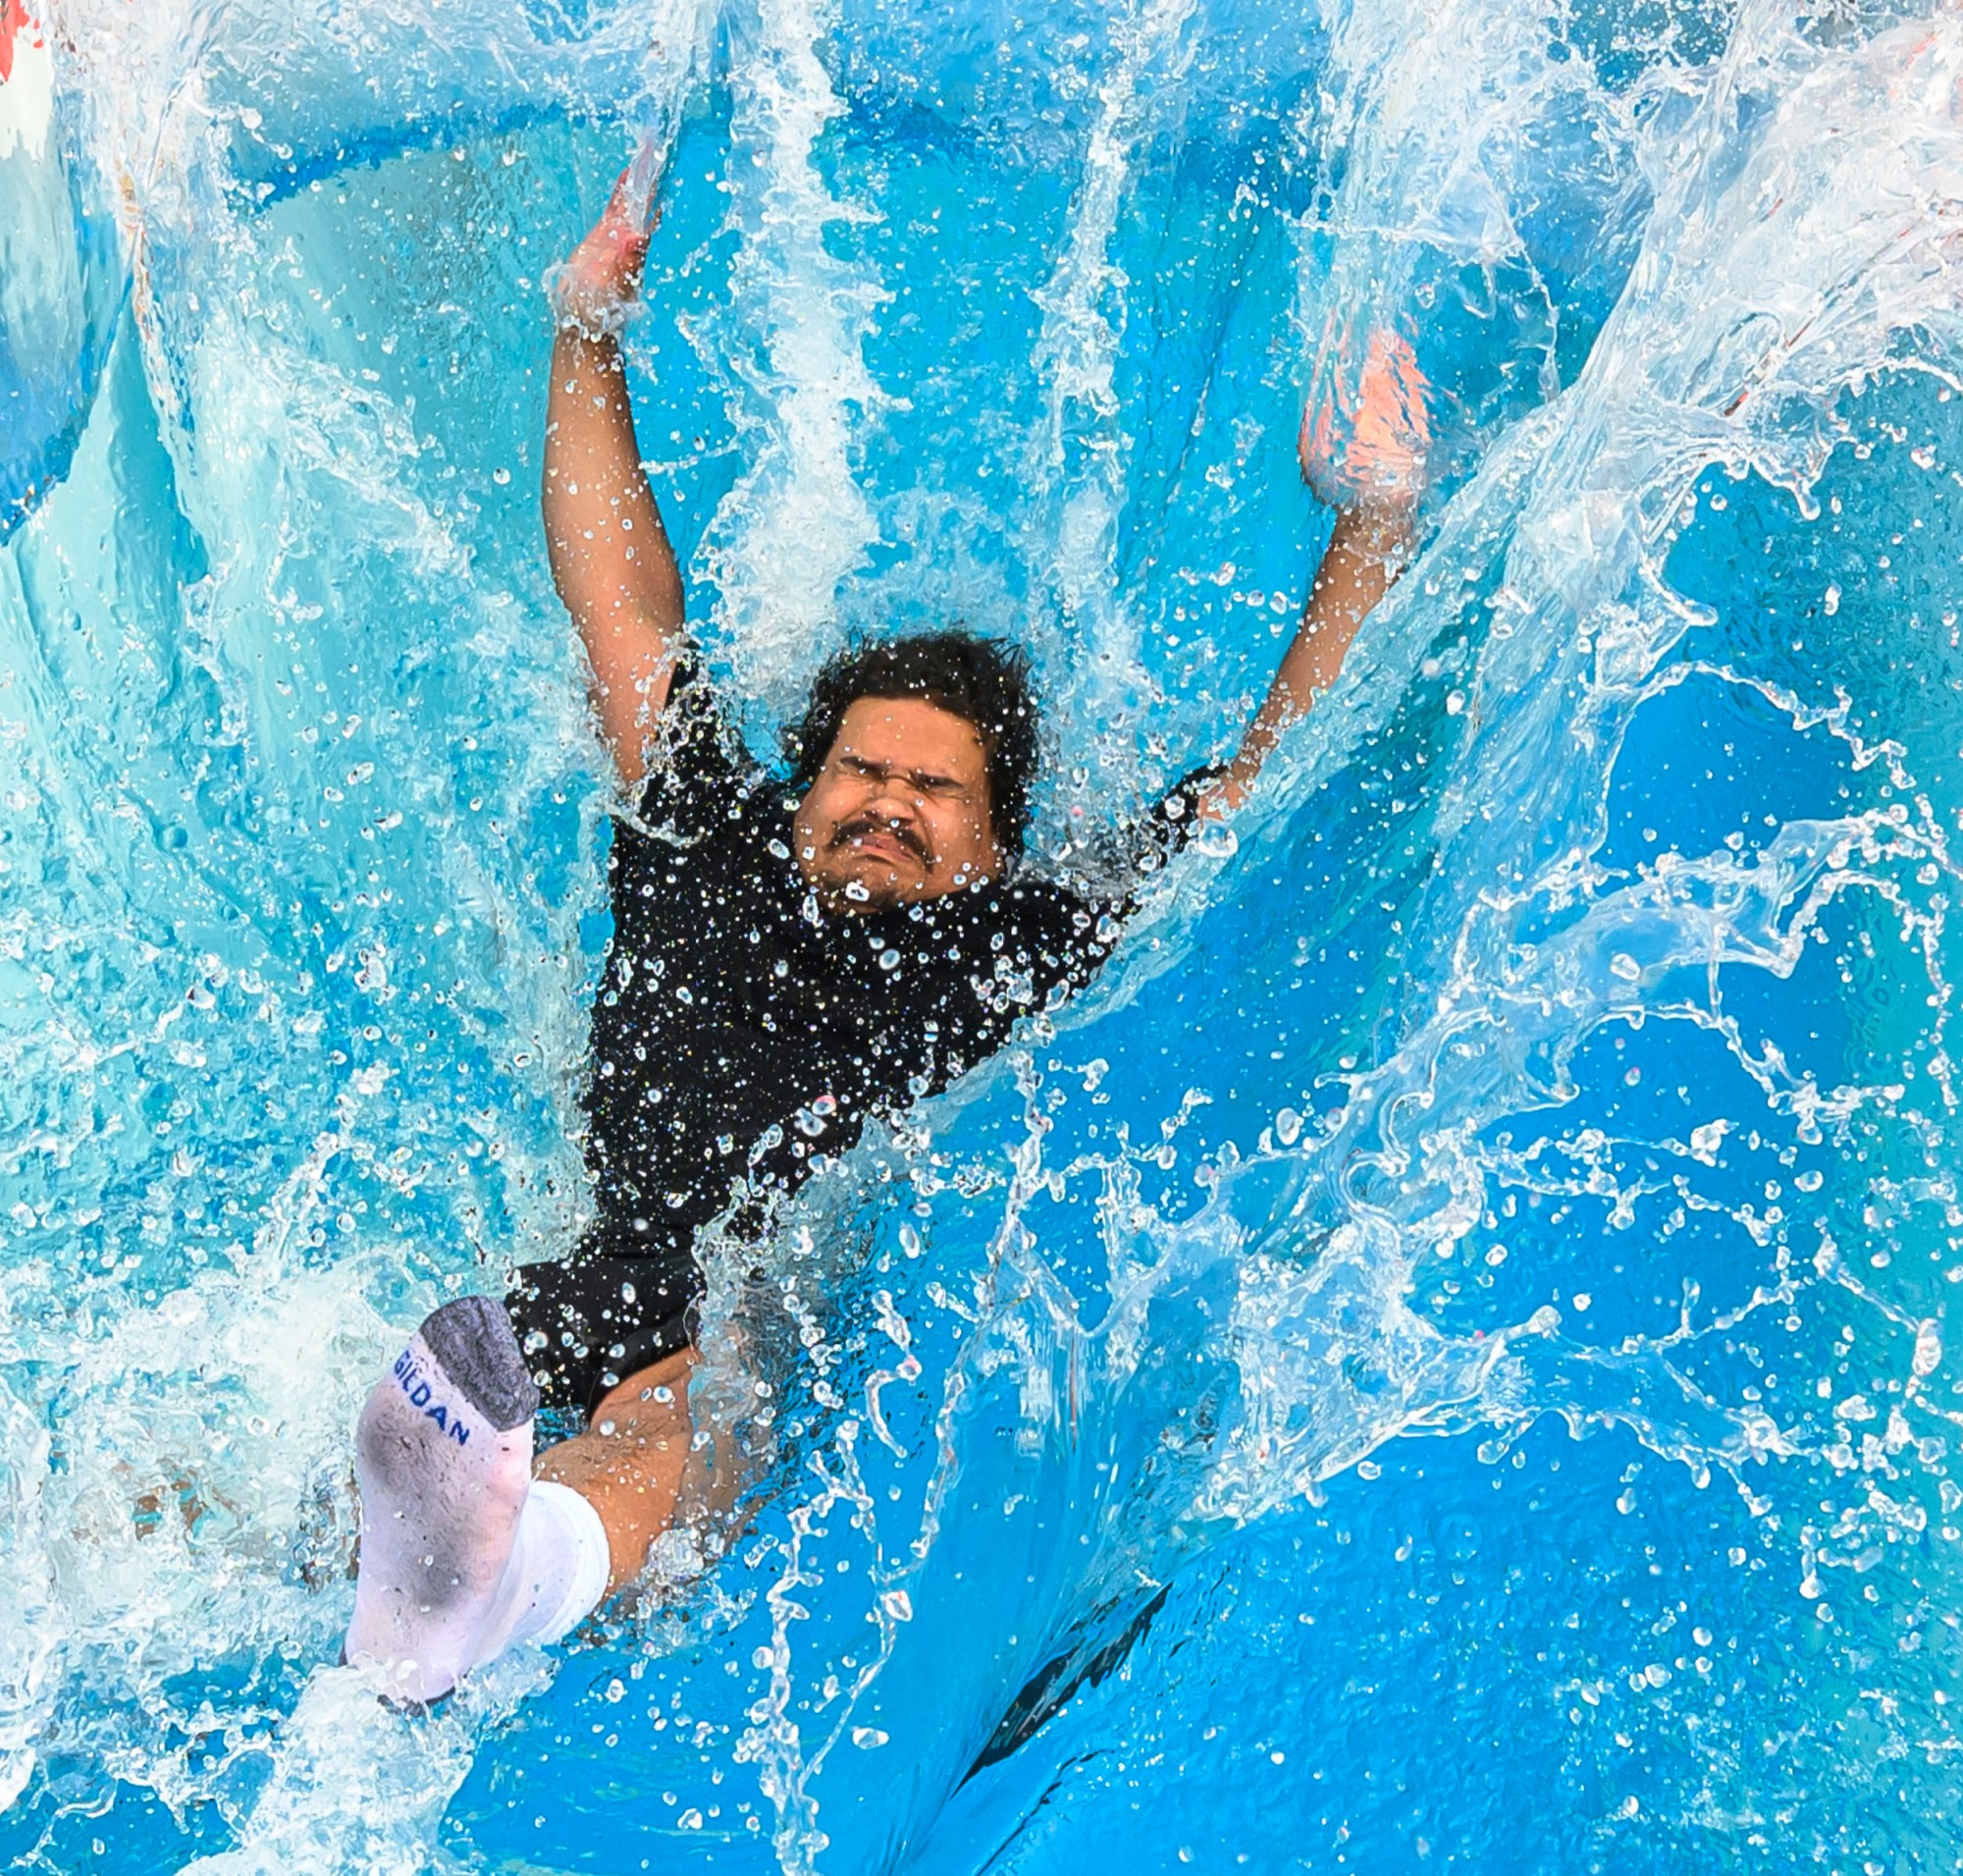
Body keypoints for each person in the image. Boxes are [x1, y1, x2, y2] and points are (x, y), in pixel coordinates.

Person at [341, 165, 1431, 1702]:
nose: (888, 800)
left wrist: (1372, 526)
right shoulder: (710, 836)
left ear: (997, 843)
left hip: (773, 1293)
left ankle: (520, 1572)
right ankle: (362, 1561)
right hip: (616, 1251)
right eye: (859, 768)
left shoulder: (1031, 935)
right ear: (805, 781)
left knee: (685, 1400)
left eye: (934, 790)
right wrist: (584, 330)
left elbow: (1279, 767)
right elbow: (620, 601)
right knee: (315, 1483)